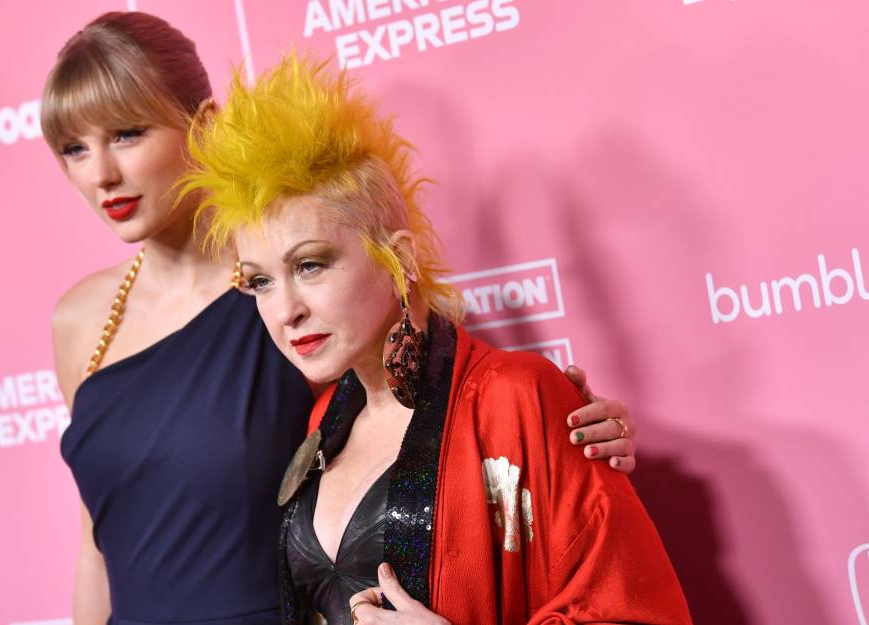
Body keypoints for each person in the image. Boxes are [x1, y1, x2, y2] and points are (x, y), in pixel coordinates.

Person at [42, 12, 639, 625]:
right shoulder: (80, 319)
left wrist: (564, 433)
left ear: (203, 125)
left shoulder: (289, 301)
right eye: (73, 148)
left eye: (127, 133)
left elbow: (441, 405)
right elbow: (98, 540)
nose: (100, 174)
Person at [180, 55, 692, 624]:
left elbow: (638, 612)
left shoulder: (518, 398)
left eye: (311, 265)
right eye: (260, 282)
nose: (285, 311)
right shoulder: (323, 420)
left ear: (397, 258)